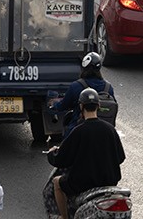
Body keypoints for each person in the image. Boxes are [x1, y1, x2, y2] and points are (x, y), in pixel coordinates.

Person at [51, 88, 126, 219]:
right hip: (109, 181)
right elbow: (120, 157)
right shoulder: (110, 129)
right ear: (98, 106)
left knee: (57, 181)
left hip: (82, 183)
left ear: (81, 106)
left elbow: (62, 160)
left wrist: (52, 154)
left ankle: (64, 217)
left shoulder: (78, 131)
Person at [56, 52, 115, 138]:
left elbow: (63, 105)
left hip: (78, 133)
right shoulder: (108, 87)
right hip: (103, 134)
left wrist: (54, 104)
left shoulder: (76, 86)